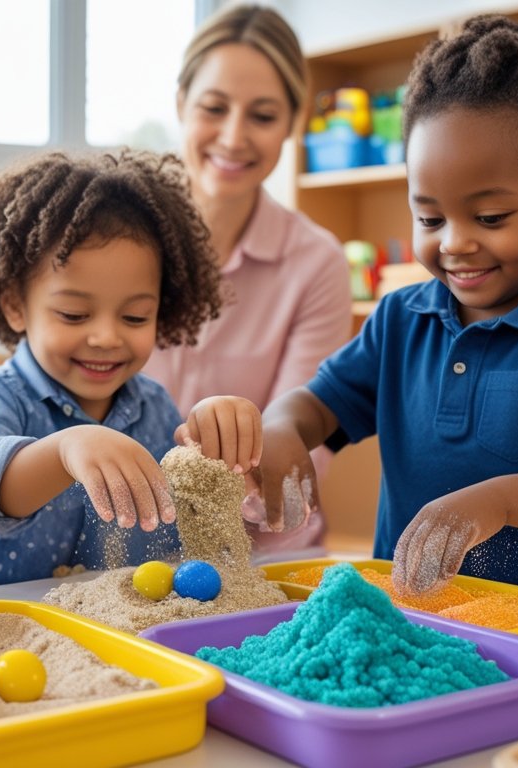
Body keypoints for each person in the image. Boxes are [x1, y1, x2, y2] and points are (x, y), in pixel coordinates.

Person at [256, 15, 518, 620]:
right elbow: (316, 405)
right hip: (411, 626)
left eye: (491, 218)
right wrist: (281, 430)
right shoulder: (400, 319)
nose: (454, 243)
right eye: (429, 219)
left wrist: (498, 502)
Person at [0, 150, 262, 587]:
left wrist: (214, 441)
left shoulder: (152, 406)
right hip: (6, 615)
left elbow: (190, 506)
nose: (107, 337)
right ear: (16, 306)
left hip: (112, 623)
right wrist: (64, 449)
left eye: (134, 318)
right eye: (74, 315)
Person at [141, 4, 352, 553]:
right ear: (182, 103)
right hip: (121, 547)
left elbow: (297, 447)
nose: (234, 137)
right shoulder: (119, 243)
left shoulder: (316, 261)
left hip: (264, 557)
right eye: (214, 107)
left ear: (292, 122)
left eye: (261, 116)